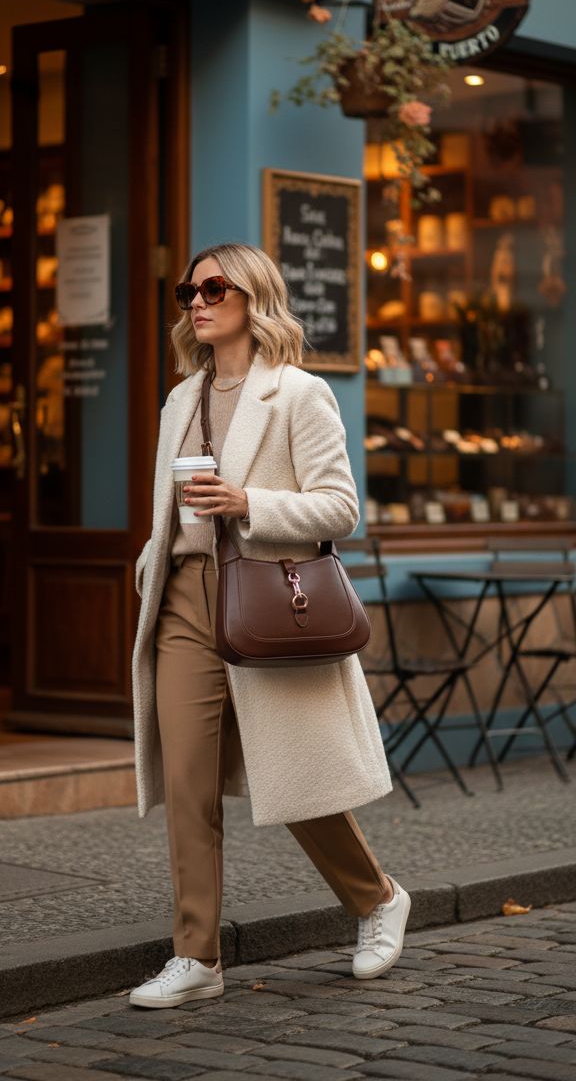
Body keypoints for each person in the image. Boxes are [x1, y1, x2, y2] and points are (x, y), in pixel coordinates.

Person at [128, 243, 410, 1010]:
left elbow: (340, 509)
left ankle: (379, 898)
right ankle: (197, 957)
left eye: (214, 287)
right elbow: (171, 510)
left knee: (299, 781)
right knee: (189, 782)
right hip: (187, 601)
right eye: (190, 288)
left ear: (255, 297)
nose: (197, 300)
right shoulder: (180, 401)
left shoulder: (299, 395)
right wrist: (155, 561)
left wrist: (249, 503)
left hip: (266, 595)